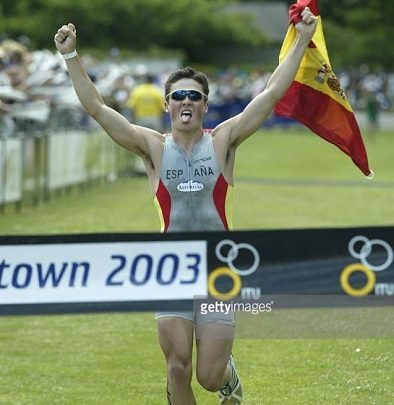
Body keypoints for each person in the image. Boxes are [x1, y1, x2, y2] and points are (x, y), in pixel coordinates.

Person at [54, 8, 317, 405]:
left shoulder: (225, 140)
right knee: (178, 367)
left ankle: (228, 376)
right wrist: (71, 57)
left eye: (194, 95)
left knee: (209, 377)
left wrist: (301, 40)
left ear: (206, 105)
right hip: (170, 267)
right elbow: (98, 109)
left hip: (217, 270)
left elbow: (271, 94)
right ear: (168, 105)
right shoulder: (152, 146)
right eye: (179, 96)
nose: (186, 101)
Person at [126, 72, 165, 173]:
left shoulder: (137, 90)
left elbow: (132, 107)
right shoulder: (157, 91)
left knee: (140, 143)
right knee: (156, 143)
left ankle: (141, 168)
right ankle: (156, 166)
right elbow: (162, 108)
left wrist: (133, 121)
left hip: (141, 118)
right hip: (154, 118)